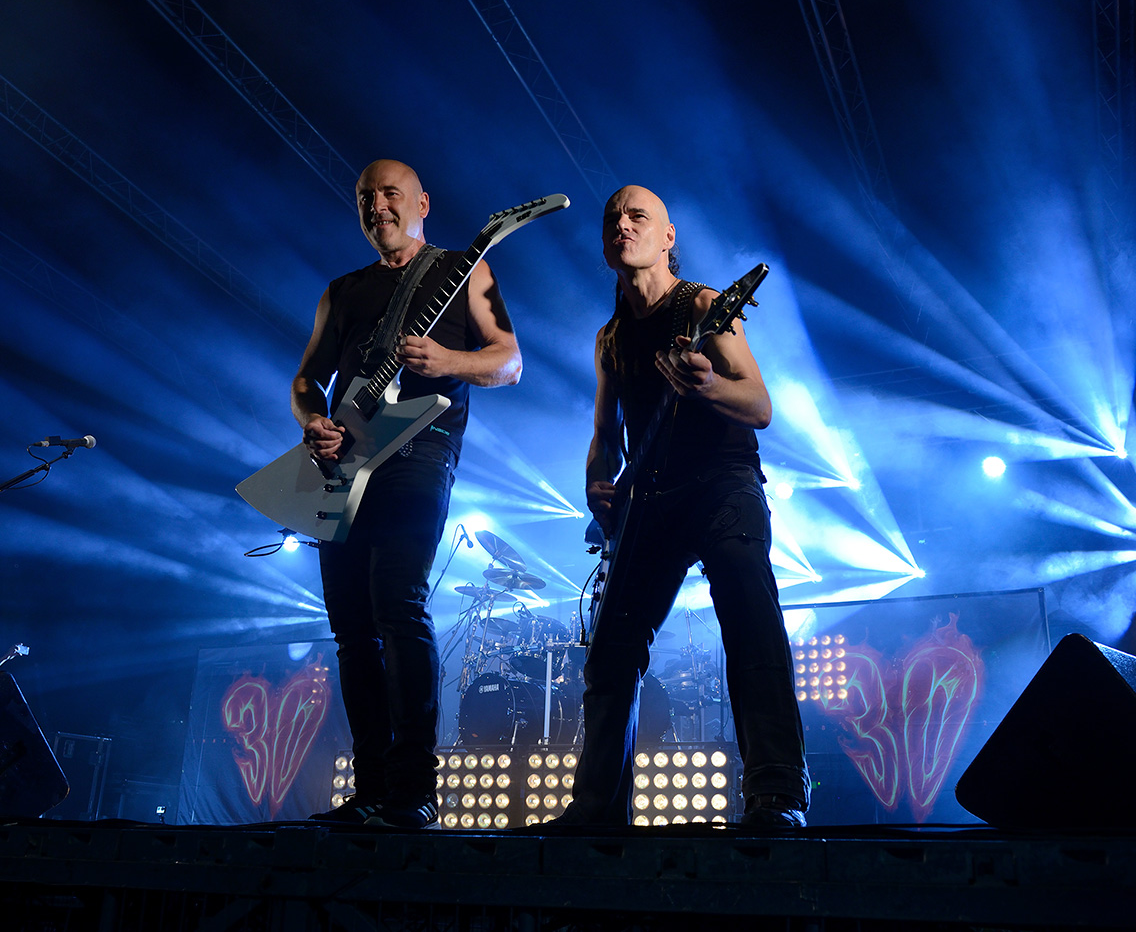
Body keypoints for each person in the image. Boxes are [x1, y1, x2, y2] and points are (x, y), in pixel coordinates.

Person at [562, 185, 809, 828]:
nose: (622, 225)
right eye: (612, 218)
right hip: (651, 497)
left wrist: (708, 385)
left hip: (723, 481)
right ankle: (595, 810)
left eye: (637, 216)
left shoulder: (703, 305)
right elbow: (604, 435)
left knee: (750, 622)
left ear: (667, 237)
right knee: (611, 651)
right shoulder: (610, 338)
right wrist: (597, 483)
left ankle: (778, 793)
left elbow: (759, 405)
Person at [295, 159, 522, 828]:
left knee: (397, 604)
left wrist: (448, 361)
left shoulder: (463, 269)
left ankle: (413, 790)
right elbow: (307, 381)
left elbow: (508, 360)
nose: (377, 207)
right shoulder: (341, 291)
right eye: (365, 197)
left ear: (422, 203)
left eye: (390, 194)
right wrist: (312, 420)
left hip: (419, 449)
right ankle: (369, 789)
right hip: (342, 463)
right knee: (350, 629)